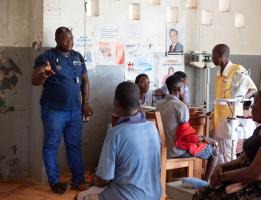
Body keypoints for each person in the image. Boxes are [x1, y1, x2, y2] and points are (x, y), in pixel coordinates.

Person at [192, 88, 261, 200]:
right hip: (258, 183)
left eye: (256, 103)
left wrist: (222, 176)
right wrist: (220, 167)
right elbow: (241, 160)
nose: (251, 107)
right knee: (204, 194)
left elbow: (255, 173)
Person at [31, 27, 93, 194]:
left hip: (75, 111)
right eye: (65, 39)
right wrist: (44, 73)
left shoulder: (78, 57)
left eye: (71, 38)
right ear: (57, 40)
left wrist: (85, 102)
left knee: (75, 145)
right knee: (51, 145)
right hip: (53, 111)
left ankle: (78, 180)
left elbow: (85, 81)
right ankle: (54, 182)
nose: (69, 42)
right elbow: (34, 80)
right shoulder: (47, 57)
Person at [75, 81, 162, 200]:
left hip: (127, 197)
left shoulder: (115, 133)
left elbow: (104, 179)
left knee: (79, 197)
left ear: (116, 103)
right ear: (139, 103)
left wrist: (94, 180)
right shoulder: (152, 128)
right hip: (155, 195)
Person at [156, 75, 218, 181]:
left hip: (163, 150)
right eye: (184, 87)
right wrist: (204, 138)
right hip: (177, 151)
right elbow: (186, 138)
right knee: (214, 152)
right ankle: (205, 185)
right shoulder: (180, 106)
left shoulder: (159, 104)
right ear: (179, 89)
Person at [211, 44, 257, 163]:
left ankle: (231, 179)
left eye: (213, 55)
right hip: (218, 117)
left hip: (231, 118)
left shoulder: (237, 69)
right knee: (218, 152)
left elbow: (253, 89)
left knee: (228, 153)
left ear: (221, 55)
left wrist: (240, 98)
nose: (212, 58)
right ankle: (221, 179)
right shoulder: (218, 72)